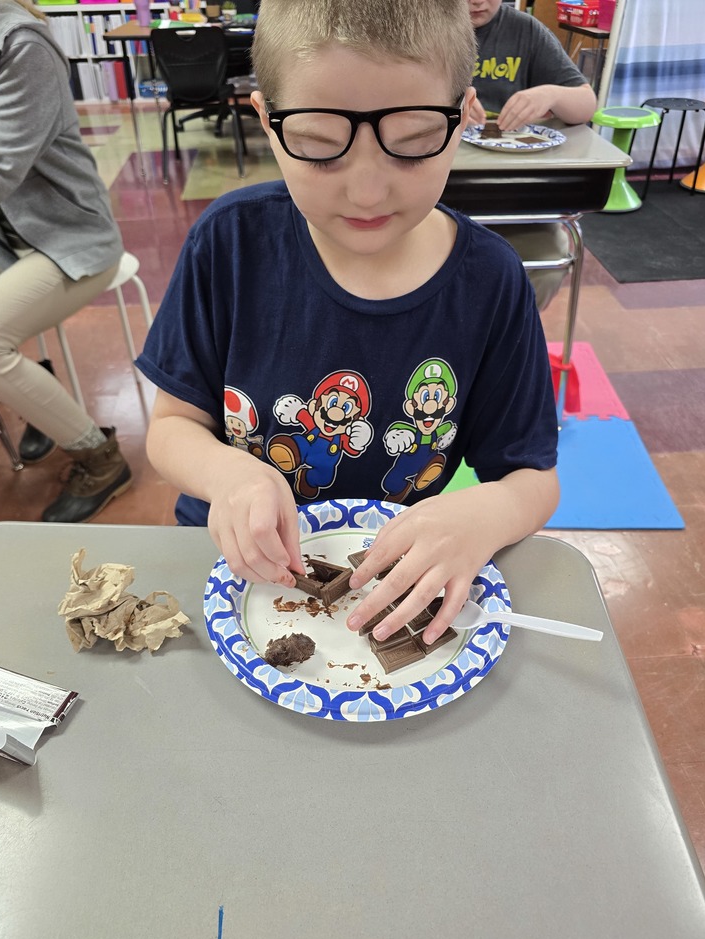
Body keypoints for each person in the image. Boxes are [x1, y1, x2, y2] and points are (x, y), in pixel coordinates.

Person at [137, 0, 560, 646]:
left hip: (389, 587)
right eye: (319, 146)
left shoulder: (491, 282)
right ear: (267, 123)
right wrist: (229, 476)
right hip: (229, 568)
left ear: (465, 115)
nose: (366, 191)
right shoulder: (229, 245)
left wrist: (484, 514)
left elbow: (533, 478)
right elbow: (171, 428)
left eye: (413, 144)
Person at [0, 0, 132, 522]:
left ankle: (101, 459)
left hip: (72, 241)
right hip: (2, 241)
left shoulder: (21, 47)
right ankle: (37, 394)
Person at [467, 0, 598, 310]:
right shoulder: (422, 27)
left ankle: (509, 330)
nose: (477, 1)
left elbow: (586, 105)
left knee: (548, 261)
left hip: (513, 195)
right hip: (438, 193)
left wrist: (551, 93)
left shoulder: (525, 30)